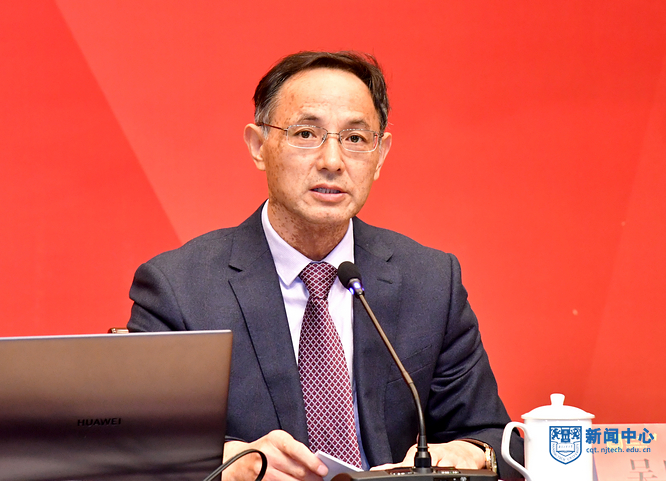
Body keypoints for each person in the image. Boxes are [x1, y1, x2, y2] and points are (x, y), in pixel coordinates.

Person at [128, 51, 523, 481]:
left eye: (355, 138)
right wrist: (227, 463)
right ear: (259, 146)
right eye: (306, 133)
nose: (332, 161)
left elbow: (494, 437)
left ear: (381, 154)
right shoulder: (179, 289)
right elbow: (138, 448)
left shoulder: (430, 282)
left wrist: (468, 453)